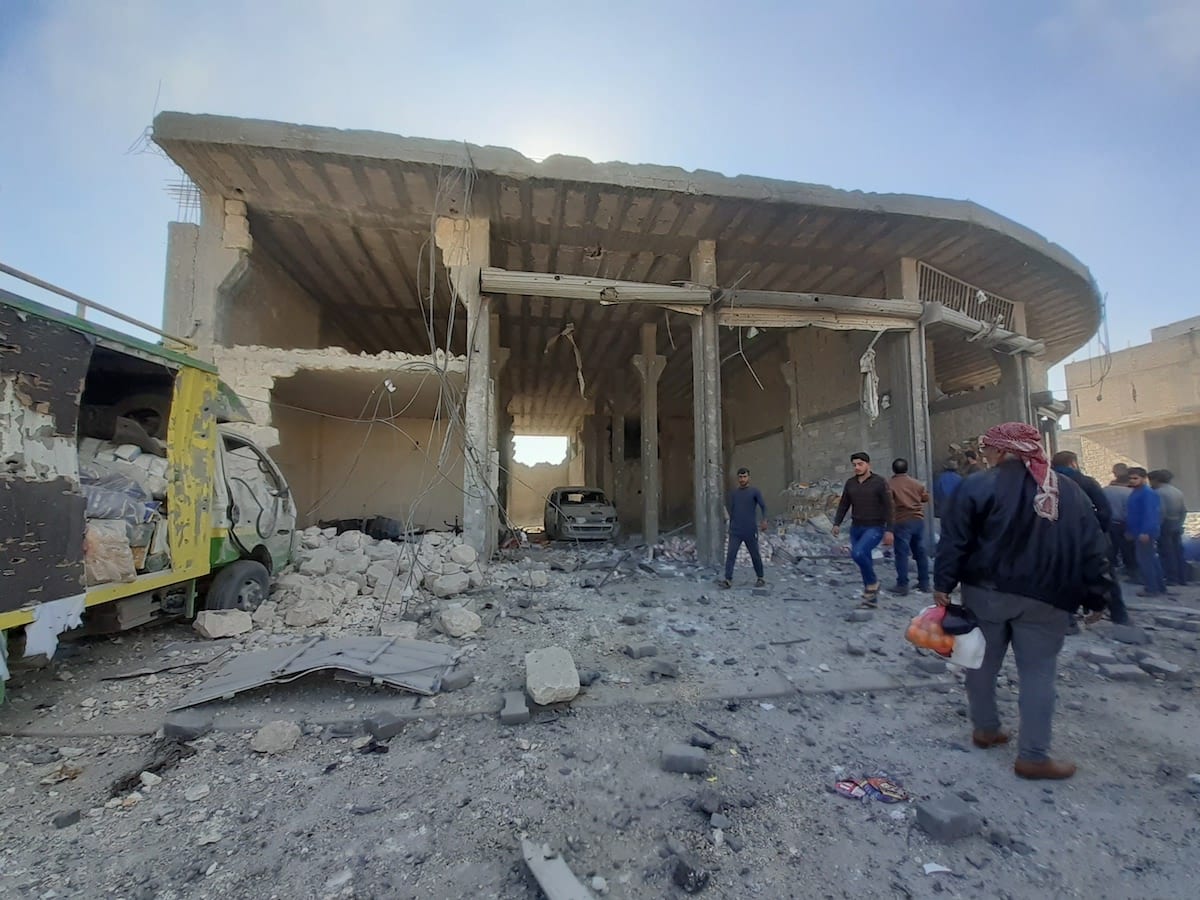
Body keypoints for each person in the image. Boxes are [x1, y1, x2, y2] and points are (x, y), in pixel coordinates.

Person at [935, 422, 1113, 781]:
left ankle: (985, 729)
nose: (984, 455)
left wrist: (943, 583)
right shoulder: (1069, 491)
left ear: (1002, 451)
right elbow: (1093, 547)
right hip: (1049, 597)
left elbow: (955, 540)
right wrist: (1099, 595)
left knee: (980, 664)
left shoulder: (978, 485)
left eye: (988, 449)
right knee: (1038, 673)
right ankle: (1033, 756)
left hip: (986, 593)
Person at [1052, 450, 1131, 624]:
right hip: (1090, 537)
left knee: (1063, 577)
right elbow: (1104, 511)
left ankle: (1068, 620)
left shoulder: (1047, 483)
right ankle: (1119, 615)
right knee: (1105, 575)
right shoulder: (1086, 482)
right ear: (1073, 463)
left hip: (1059, 539)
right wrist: (1098, 531)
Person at [832, 452, 894, 606]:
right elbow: (844, 504)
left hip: (874, 527)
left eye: (860, 464)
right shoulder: (850, 483)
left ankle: (872, 583)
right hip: (856, 527)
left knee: (858, 553)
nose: (857, 467)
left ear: (868, 464)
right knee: (862, 558)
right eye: (854, 465)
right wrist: (836, 523)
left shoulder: (879, 482)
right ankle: (871, 596)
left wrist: (890, 529)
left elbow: (889, 507)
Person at [719, 466, 767, 589]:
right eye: (740, 477)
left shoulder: (754, 492)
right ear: (738, 478)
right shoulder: (734, 493)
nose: (742, 479)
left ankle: (760, 577)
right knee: (731, 555)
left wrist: (764, 520)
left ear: (748, 477)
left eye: (744, 476)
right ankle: (728, 580)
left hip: (750, 530)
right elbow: (731, 510)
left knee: (755, 554)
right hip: (735, 530)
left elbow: (763, 506)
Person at [888, 458, 930, 596]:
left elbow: (888, 505)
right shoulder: (916, 483)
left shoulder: (890, 485)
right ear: (906, 468)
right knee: (920, 552)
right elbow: (925, 498)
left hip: (902, 521)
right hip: (917, 520)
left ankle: (902, 584)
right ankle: (924, 583)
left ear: (893, 469)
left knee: (902, 554)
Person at [1126, 467, 1167, 597]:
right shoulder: (1136, 492)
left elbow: (1150, 514)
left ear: (1143, 479)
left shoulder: (1147, 493)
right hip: (1138, 530)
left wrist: (1146, 531)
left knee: (1145, 560)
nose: (1132, 481)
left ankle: (1151, 588)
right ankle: (1159, 587)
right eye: (1130, 478)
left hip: (1145, 532)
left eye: (1135, 478)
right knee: (1151, 559)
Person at [1150, 470, 1189, 585]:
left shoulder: (1158, 493)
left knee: (1167, 552)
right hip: (1176, 522)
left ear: (1156, 480)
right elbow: (1184, 510)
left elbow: (1161, 512)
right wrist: (1180, 523)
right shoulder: (1177, 492)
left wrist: (1157, 525)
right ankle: (1183, 577)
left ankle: (1172, 578)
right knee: (1178, 551)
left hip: (1165, 524)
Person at [1103, 464, 1137, 580]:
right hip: (1125, 523)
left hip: (1110, 522)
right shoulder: (1130, 493)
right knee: (1128, 549)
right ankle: (1131, 571)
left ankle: (1112, 570)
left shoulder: (1106, 490)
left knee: (1111, 548)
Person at [933, 458, 963, 522]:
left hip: (940, 512)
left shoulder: (939, 479)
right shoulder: (960, 479)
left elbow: (934, 495)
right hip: (955, 513)